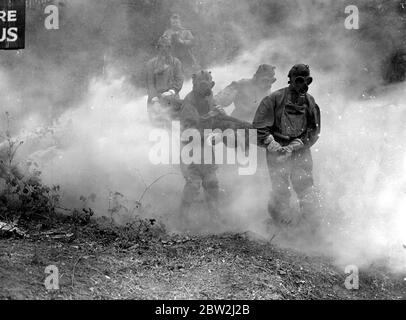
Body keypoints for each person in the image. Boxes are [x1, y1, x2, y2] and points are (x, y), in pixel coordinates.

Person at [252, 64, 321, 231]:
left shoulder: (310, 102)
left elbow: (314, 129)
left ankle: (310, 229)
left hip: (300, 151)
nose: (303, 85)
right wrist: (271, 143)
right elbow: (258, 126)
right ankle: (282, 228)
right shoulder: (274, 99)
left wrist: (300, 143)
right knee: (281, 190)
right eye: (299, 81)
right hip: (278, 151)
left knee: (306, 188)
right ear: (291, 80)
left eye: (307, 81)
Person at [178, 70, 222, 227]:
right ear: (195, 85)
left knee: (212, 182)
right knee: (193, 183)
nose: (206, 88)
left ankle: (215, 217)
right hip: (191, 146)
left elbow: (216, 116)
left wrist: (218, 116)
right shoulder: (189, 101)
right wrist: (210, 116)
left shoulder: (209, 97)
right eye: (201, 84)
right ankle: (182, 217)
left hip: (207, 145)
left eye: (208, 83)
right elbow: (189, 127)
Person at [146, 36, 184, 126]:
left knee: (172, 126)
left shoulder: (176, 62)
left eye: (166, 46)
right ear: (157, 48)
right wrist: (154, 99)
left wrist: (171, 91)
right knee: (156, 127)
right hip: (155, 98)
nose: (164, 49)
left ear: (170, 48)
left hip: (172, 98)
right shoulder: (151, 64)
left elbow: (179, 79)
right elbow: (150, 83)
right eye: (161, 47)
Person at [163, 13, 200, 77]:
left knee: (189, 74)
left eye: (176, 22)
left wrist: (182, 41)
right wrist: (169, 42)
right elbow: (161, 43)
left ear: (180, 22)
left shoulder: (186, 31)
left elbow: (193, 42)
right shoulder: (167, 33)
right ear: (171, 23)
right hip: (172, 57)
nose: (175, 24)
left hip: (185, 57)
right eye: (173, 22)